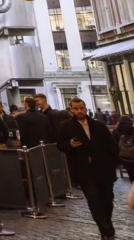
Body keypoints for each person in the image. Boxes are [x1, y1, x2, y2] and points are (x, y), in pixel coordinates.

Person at [57, 97, 119, 240]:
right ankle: (106, 230)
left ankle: (107, 223)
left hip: (103, 169)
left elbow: (111, 146)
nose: (80, 111)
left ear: (85, 108)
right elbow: (60, 145)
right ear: (72, 110)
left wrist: (113, 164)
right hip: (83, 170)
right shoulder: (66, 126)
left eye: (82, 108)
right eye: (76, 109)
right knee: (94, 199)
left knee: (107, 199)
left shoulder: (98, 125)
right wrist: (70, 146)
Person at [112, 116, 134, 181]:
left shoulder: (116, 131)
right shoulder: (132, 129)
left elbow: (114, 145)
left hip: (125, 159)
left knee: (131, 175)